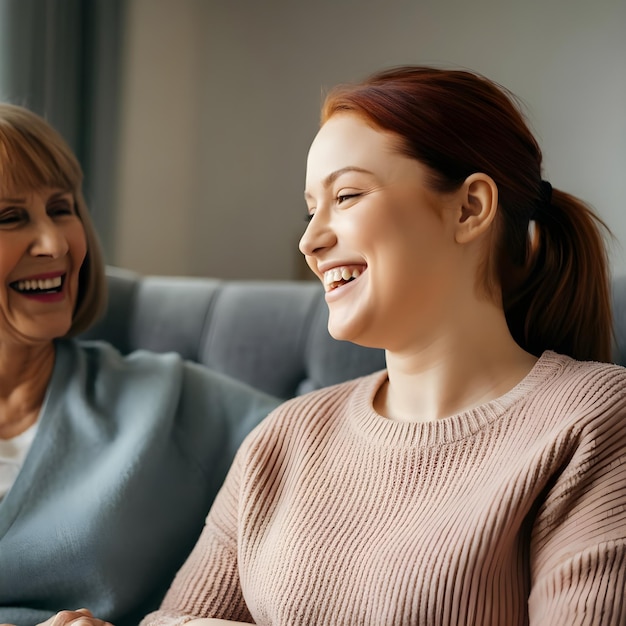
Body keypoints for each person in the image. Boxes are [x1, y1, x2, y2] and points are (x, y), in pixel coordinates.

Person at [139, 65, 626, 626]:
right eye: (309, 209)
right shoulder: (284, 438)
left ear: (470, 208)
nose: (310, 240)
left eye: (346, 195)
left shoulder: (593, 421)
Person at [0, 103, 281, 626]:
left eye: (62, 209)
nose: (56, 243)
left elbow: (340, 456)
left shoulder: (164, 399)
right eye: (11, 217)